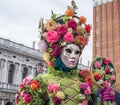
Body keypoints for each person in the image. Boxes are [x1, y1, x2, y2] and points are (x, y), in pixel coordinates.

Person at [15, 0, 116, 105]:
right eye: (68, 51)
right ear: (57, 53)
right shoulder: (41, 82)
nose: (73, 56)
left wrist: (105, 100)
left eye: (77, 53)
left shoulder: (86, 82)